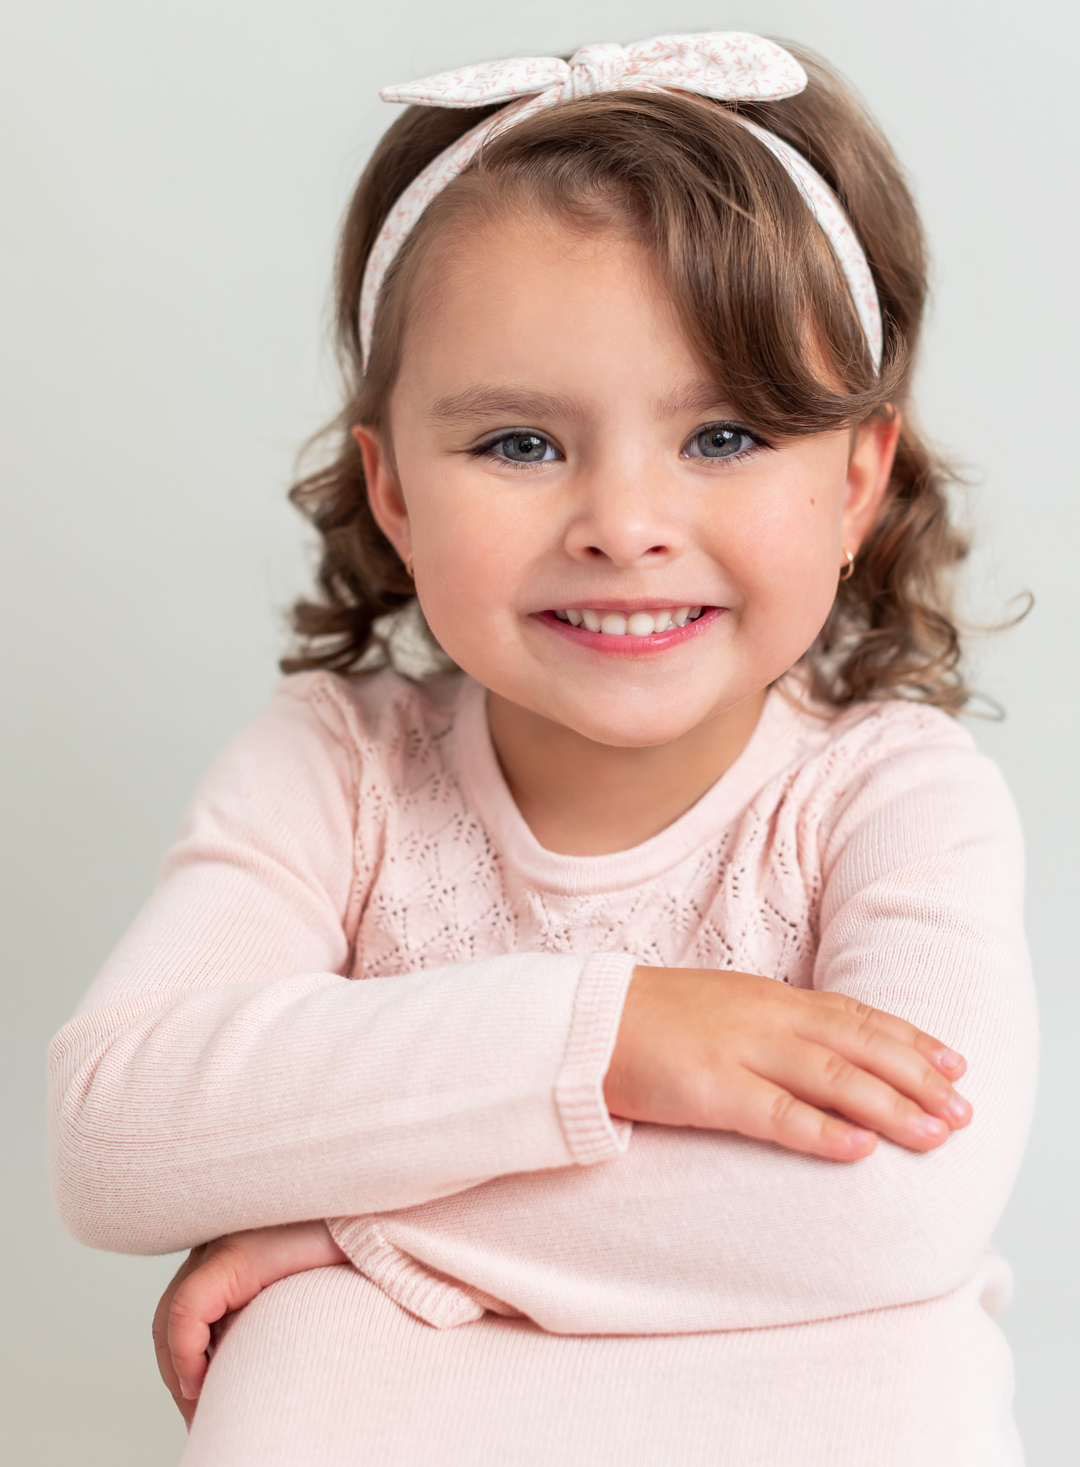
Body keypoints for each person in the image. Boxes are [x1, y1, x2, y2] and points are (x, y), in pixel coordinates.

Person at [48, 32, 1037, 1466]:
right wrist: (613, 1037)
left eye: (725, 434)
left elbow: (896, 1202)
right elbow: (115, 1137)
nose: (624, 522)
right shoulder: (336, 769)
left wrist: (347, 1222)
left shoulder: (890, 794)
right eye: (519, 444)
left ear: (858, 479)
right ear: (390, 487)